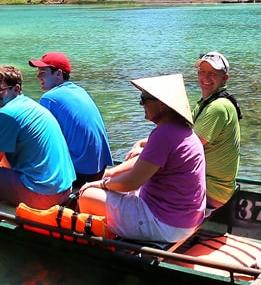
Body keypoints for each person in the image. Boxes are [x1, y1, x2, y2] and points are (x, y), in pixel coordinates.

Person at [77, 73, 206, 243]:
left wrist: (103, 184)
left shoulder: (164, 134)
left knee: (87, 195)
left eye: (144, 99)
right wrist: (111, 174)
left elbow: (131, 182)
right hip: (185, 219)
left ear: (161, 104)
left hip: (165, 225)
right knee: (115, 187)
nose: (140, 104)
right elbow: (141, 164)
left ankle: (100, 245)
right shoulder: (181, 130)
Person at [125, 51, 241, 212]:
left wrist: (143, 151)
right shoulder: (205, 103)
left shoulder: (218, 107)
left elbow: (186, 144)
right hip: (214, 186)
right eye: (202, 72)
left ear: (225, 78)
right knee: (145, 170)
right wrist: (142, 143)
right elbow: (181, 132)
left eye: (213, 74)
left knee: (144, 180)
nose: (206, 78)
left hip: (214, 190)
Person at [0, 65, 75, 208]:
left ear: (16, 89)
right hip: (64, 189)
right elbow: (12, 140)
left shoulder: (7, 114)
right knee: (3, 154)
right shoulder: (29, 105)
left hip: (44, 196)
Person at [28, 51, 113, 189]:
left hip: (80, 175)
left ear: (58, 74)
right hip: (98, 170)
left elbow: (40, 141)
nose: (38, 76)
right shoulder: (79, 90)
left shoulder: (49, 98)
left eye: (43, 72)